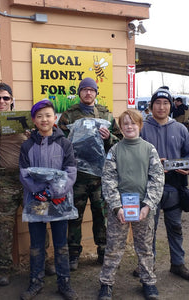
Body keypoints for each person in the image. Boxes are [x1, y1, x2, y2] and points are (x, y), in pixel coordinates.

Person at [98, 109, 164, 300]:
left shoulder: (149, 149)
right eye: (125, 123)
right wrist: (117, 207)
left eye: (133, 123)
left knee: (144, 247)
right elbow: (108, 179)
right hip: (119, 209)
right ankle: (106, 284)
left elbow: (157, 179)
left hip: (144, 208)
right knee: (113, 248)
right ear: (120, 126)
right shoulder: (115, 150)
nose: (129, 126)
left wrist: (148, 205)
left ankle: (148, 282)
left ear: (140, 125)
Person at [58, 77, 121, 270]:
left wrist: (109, 137)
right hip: (77, 176)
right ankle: (74, 255)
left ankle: (103, 252)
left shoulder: (106, 115)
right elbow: (59, 141)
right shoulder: (69, 115)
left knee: (101, 216)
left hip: (100, 177)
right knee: (74, 216)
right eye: (84, 90)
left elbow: (119, 141)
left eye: (91, 90)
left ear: (96, 93)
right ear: (79, 93)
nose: (88, 93)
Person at [19, 100, 78, 300]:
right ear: (34, 120)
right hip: (35, 200)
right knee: (36, 244)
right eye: (39, 116)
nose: (44, 119)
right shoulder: (27, 145)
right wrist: (37, 192)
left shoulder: (65, 143)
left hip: (59, 201)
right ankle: (35, 282)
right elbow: (24, 173)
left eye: (48, 115)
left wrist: (53, 193)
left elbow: (70, 173)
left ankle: (65, 283)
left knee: (61, 244)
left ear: (55, 118)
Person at [139, 88, 189, 281]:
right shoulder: (142, 128)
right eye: (157, 103)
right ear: (151, 105)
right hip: (148, 188)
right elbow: (133, 154)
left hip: (174, 187)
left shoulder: (180, 129)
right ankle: (148, 265)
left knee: (175, 227)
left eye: (166, 103)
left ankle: (178, 264)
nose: (161, 107)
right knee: (149, 230)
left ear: (171, 106)